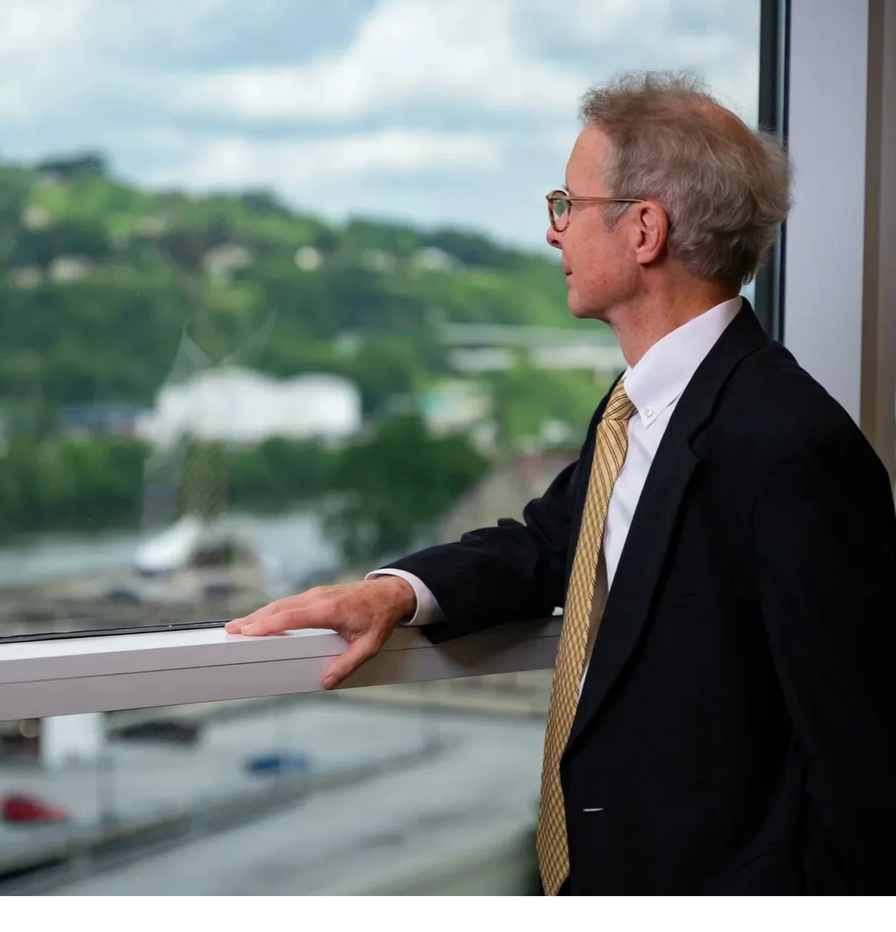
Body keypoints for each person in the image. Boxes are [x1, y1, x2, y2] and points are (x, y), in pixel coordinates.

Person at [226, 71, 896, 899]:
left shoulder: (793, 444)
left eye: (567, 204)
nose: (552, 232)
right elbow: (555, 543)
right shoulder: (637, 407)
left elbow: (862, 760)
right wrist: (394, 593)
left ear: (644, 229)